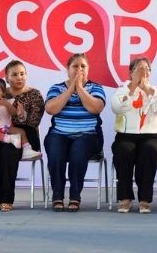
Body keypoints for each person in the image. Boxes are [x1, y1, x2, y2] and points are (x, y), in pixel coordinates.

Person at [0, 60, 45, 212]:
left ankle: (7, 199)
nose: (19, 77)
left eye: (22, 74)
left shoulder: (35, 94)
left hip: (24, 136)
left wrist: (17, 114)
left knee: (8, 151)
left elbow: (33, 122)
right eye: (14, 74)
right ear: (7, 78)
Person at [44, 53, 106, 213]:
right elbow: (51, 109)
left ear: (88, 69)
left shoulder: (96, 87)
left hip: (88, 135)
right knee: (56, 154)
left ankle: (75, 195)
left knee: (78, 153)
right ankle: (57, 195)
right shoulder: (56, 88)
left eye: (83, 66)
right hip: (59, 133)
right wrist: (71, 88)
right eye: (75, 66)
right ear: (68, 69)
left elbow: (95, 108)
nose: (79, 69)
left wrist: (80, 88)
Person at [110, 57, 157, 214]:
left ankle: (145, 199)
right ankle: (125, 198)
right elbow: (117, 107)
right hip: (126, 135)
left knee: (149, 150)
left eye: (147, 69)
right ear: (131, 72)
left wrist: (147, 90)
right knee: (124, 150)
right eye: (140, 69)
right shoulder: (122, 90)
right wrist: (132, 89)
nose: (144, 72)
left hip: (152, 135)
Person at [0, 77, 41, 160]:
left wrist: (14, 109)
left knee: (21, 131)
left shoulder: (7, 102)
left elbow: (13, 113)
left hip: (6, 128)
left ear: (3, 92)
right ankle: (9, 139)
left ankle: (27, 150)